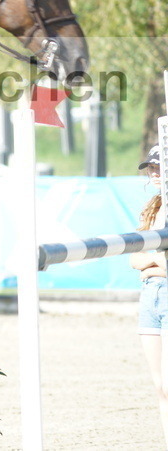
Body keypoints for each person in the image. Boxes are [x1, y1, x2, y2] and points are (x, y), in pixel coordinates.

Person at [130, 144, 168, 446]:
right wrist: (155, 264)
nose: (153, 172)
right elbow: (135, 260)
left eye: (158, 166)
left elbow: (155, 263)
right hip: (150, 297)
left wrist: (152, 264)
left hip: (162, 293)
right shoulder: (155, 206)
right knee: (160, 386)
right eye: (151, 167)